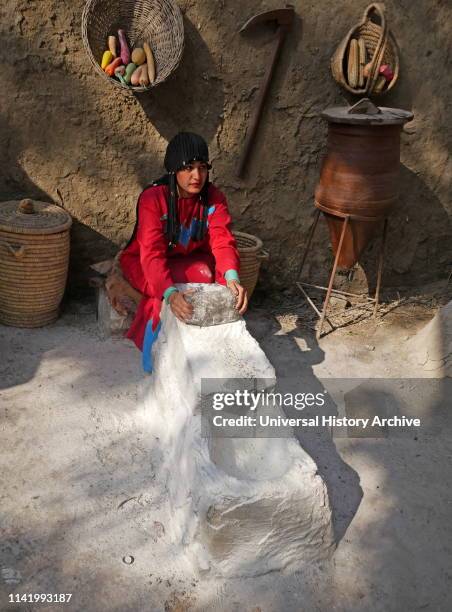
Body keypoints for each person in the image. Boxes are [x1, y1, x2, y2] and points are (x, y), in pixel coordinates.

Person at [119, 132, 248, 372]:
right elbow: (152, 255)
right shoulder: (153, 198)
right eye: (188, 168)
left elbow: (222, 240)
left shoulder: (213, 197)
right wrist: (168, 293)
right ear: (173, 170)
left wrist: (232, 278)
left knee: (212, 278)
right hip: (145, 260)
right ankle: (154, 348)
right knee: (158, 292)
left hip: (187, 258)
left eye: (202, 168)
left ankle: (219, 342)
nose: (196, 176)